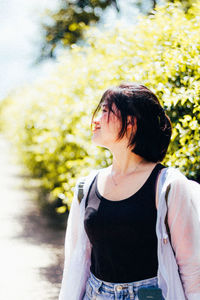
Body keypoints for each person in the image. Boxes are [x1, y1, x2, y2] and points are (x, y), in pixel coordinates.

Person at [59, 83, 200, 300]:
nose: (95, 120)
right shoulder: (87, 186)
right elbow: (77, 262)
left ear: (132, 122)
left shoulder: (168, 186)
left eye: (105, 111)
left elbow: (192, 268)